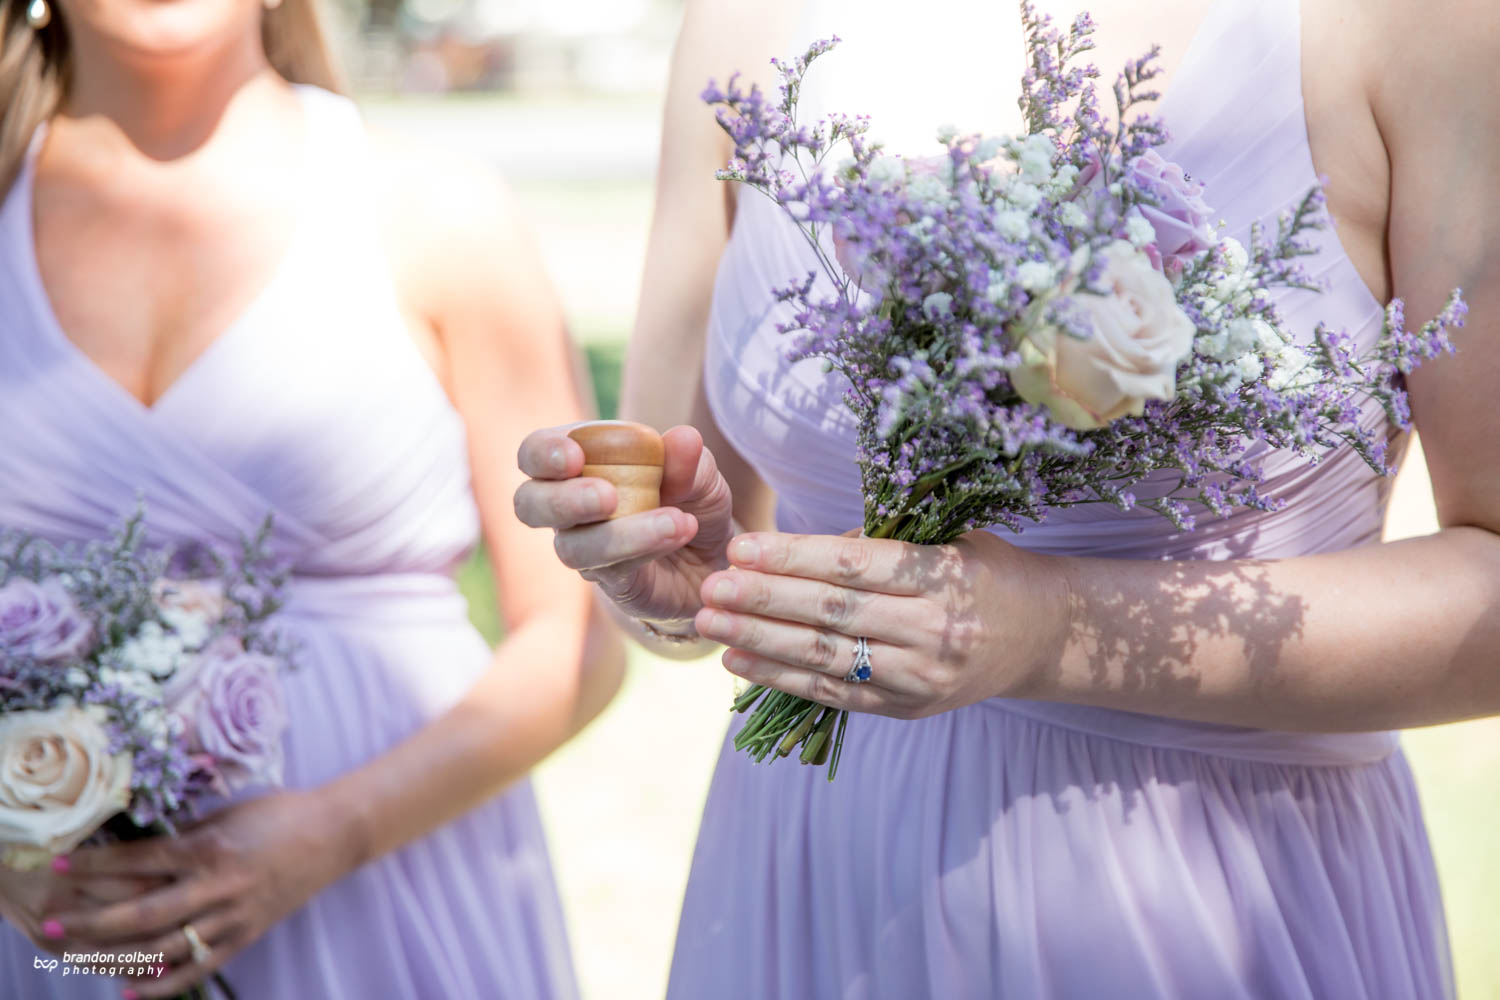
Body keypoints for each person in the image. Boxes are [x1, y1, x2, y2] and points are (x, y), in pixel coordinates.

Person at [515, 0, 1500, 996]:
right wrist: (695, 580)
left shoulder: (1416, 26)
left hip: (1194, 884)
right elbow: (676, 570)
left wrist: (1042, 629)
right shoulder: (738, 26)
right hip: (814, 857)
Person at [0, 0, 622, 996]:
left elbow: (577, 636)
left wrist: (337, 831)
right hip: (61, 938)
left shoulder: (438, 214)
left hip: (395, 895)